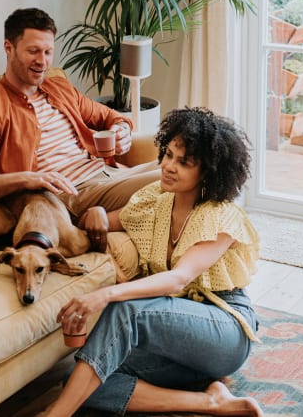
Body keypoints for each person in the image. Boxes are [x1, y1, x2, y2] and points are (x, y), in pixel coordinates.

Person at [48, 107, 263, 417]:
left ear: (207, 172)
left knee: (125, 311)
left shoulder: (221, 215)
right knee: (81, 379)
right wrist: (92, 215)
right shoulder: (154, 201)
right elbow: (103, 222)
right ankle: (210, 402)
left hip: (224, 331)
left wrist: (104, 294)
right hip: (177, 342)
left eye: (184, 162)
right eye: (168, 155)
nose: (168, 166)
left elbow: (178, 279)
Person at [0, 7, 160, 250]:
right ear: (9, 48)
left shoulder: (58, 87)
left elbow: (111, 117)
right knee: (172, 180)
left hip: (109, 173)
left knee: (188, 163)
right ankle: (89, 220)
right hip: (71, 194)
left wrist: (122, 130)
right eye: (33, 51)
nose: (42, 61)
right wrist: (28, 179)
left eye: (48, 52)